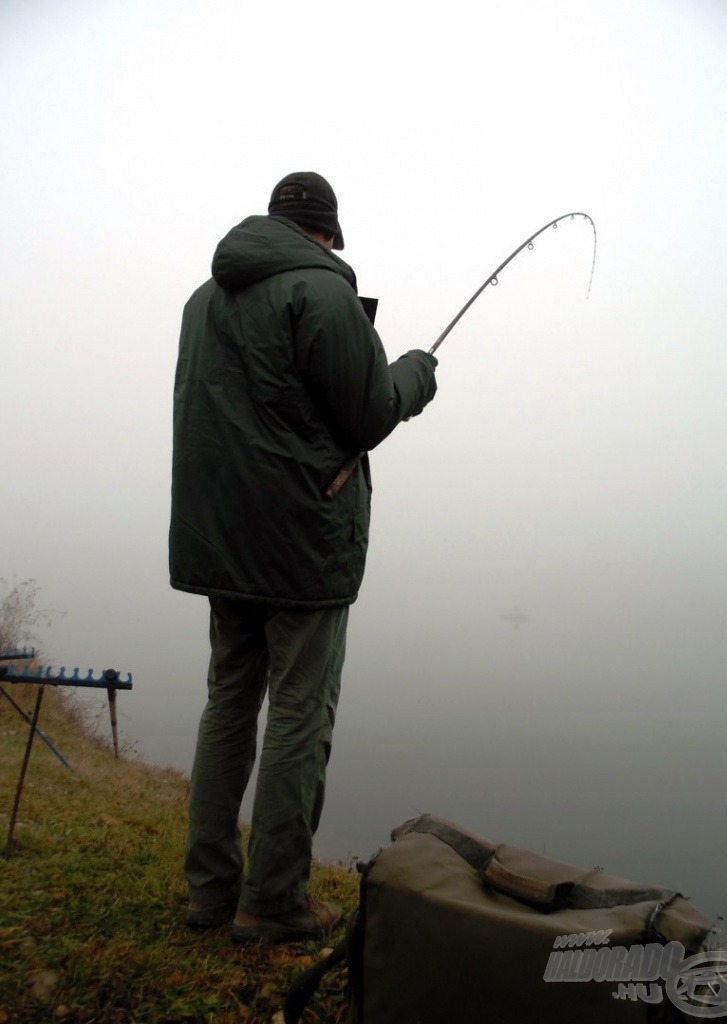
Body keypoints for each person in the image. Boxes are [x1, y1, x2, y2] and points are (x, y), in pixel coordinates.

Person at [169, 171, 438, 943]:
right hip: (302, 542)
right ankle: (274, 902)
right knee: (298, 713)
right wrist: (416, 372)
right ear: (326, 233)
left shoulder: (202, 299)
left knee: (227, 704)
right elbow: (370, 412)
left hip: (222, 538)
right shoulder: (321, 294)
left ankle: (209, 894)